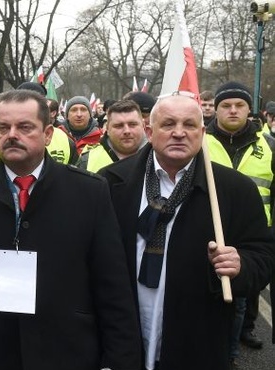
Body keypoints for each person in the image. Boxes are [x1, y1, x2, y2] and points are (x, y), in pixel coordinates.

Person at [0, 89, 142, 370]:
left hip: (70, 352)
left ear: (48, 134)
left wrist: (118, 361)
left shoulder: (89, 192)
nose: (12, 135)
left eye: (25, 127)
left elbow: (112, 285)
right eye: (3, 128)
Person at [98, 94, 274, 370]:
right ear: (150, 131)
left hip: (196, 340)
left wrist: (242, 265)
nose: (179, 133)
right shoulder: (109, 183)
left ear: (202, 132)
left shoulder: (235, 190)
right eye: (168, 124)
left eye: (190, 125)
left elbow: (263, 255)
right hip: (124, 336)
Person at [204, 81, 275, 361]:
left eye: (239, 105)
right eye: (226, 105)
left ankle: (232, 351)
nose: (233, 110)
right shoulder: (200, 141)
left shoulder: (268, 145)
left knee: (242, 298)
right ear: (216, 110)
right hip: (209, 231)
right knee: (210, 299)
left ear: (249, 109)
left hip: (251, 234)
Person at [15, 81, 78, 165]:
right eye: (24, 103)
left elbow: (74, 173)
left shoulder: (63, 138)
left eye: (37, 103)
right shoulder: (1, 138)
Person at [78, 99, 147, 173]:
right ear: (107, 129)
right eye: (119, 126)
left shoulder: (157, 156)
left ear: (143, 126)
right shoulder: (87, 160)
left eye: (132, 125)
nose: (127, 131)